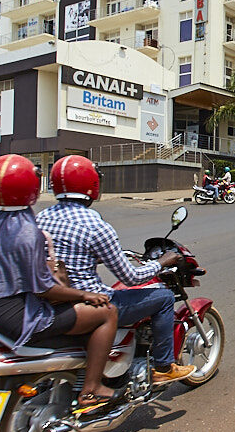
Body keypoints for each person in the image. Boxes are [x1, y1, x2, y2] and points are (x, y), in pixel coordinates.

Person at [0, 155, 121, 412]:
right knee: (108, 313)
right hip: (13, 319)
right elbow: (44, 288)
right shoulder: (25, 230)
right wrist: (84, 296)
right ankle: (92, 389)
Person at [36, 156, 195, 386]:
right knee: (164, 298)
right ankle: (164, 366)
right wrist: (161, 262)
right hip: (92, 304)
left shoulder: (42, 217)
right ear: (92, 185)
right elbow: (130, 277)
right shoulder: (95, 225)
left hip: (55, 303)